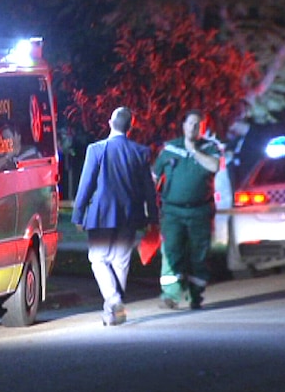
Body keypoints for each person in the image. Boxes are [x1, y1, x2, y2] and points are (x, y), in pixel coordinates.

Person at [72, 107, 159, 326]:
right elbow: (149, 188)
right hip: (130, 214)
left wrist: (78, 214)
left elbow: (86, 184)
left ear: (110, 122)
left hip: (101, 214)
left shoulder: (97, 149)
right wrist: (153, 217)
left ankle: (113, 299)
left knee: (98, 259)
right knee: (120, 261)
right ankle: (112, 312)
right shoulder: (140, 152)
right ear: (130, 127)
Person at [152, 110, 221, 310]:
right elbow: (155, 176)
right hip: (173, 212)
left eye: (197, 125)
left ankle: (195, 294)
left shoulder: (210, 148)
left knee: (199, 253)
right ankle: (170, 295)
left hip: (200, 211)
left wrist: (194, 151)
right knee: (171, 250)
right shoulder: (170, 148)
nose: (192, 128)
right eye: (190, 123)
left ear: (203, 128)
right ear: (183, 126)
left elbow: (214, 166)